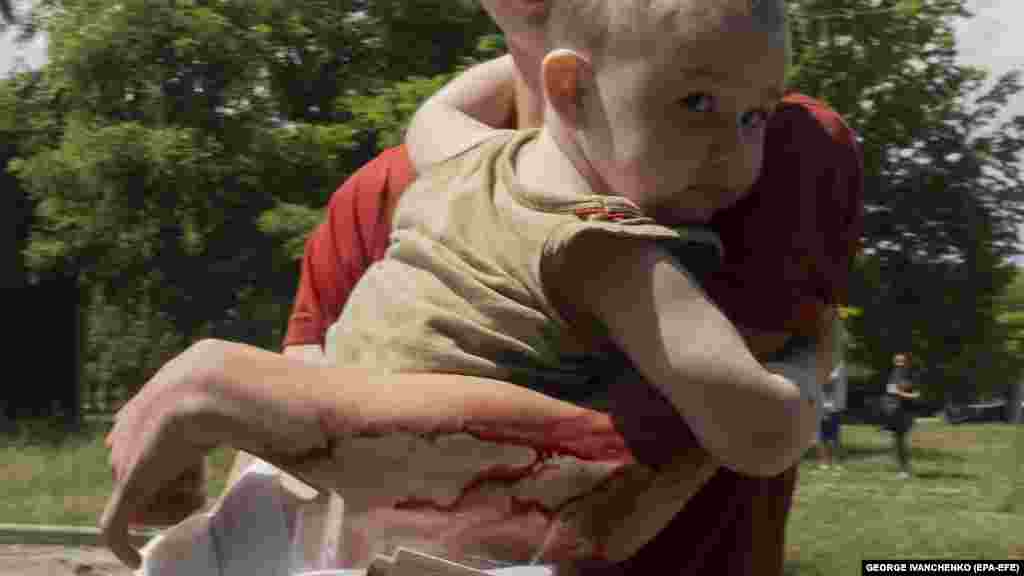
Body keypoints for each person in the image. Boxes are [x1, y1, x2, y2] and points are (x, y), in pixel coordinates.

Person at [105, 4, 865, 576]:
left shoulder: (465, 164)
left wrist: (237, 396)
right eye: (696, 104)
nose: (735, 154)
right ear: (571, 86)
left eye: (754, 116)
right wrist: (806, 365)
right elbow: (755, 430)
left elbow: (624, 473)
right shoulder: (610, 247)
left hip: (278, 534)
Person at [816, 310, 848, 469]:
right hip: (823, 404)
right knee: (822, 436)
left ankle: (836, 462)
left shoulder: (838, 364)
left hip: (833, 405)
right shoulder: (825, 362)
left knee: (833, 436)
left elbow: (828, 382)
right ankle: (824, 462)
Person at [884, 352, 920, 478]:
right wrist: (907, 395)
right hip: (894, 411)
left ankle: (905, 469)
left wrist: (902, 393)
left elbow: (917, 394)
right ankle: (903, 469)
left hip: (906, 412)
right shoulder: (893, 374)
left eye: (902, 361)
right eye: (897, 361)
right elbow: (890, 390)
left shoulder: (911, 375)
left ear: (907, 362)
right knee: (898, 441)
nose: (899, 364)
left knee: (902, 440)